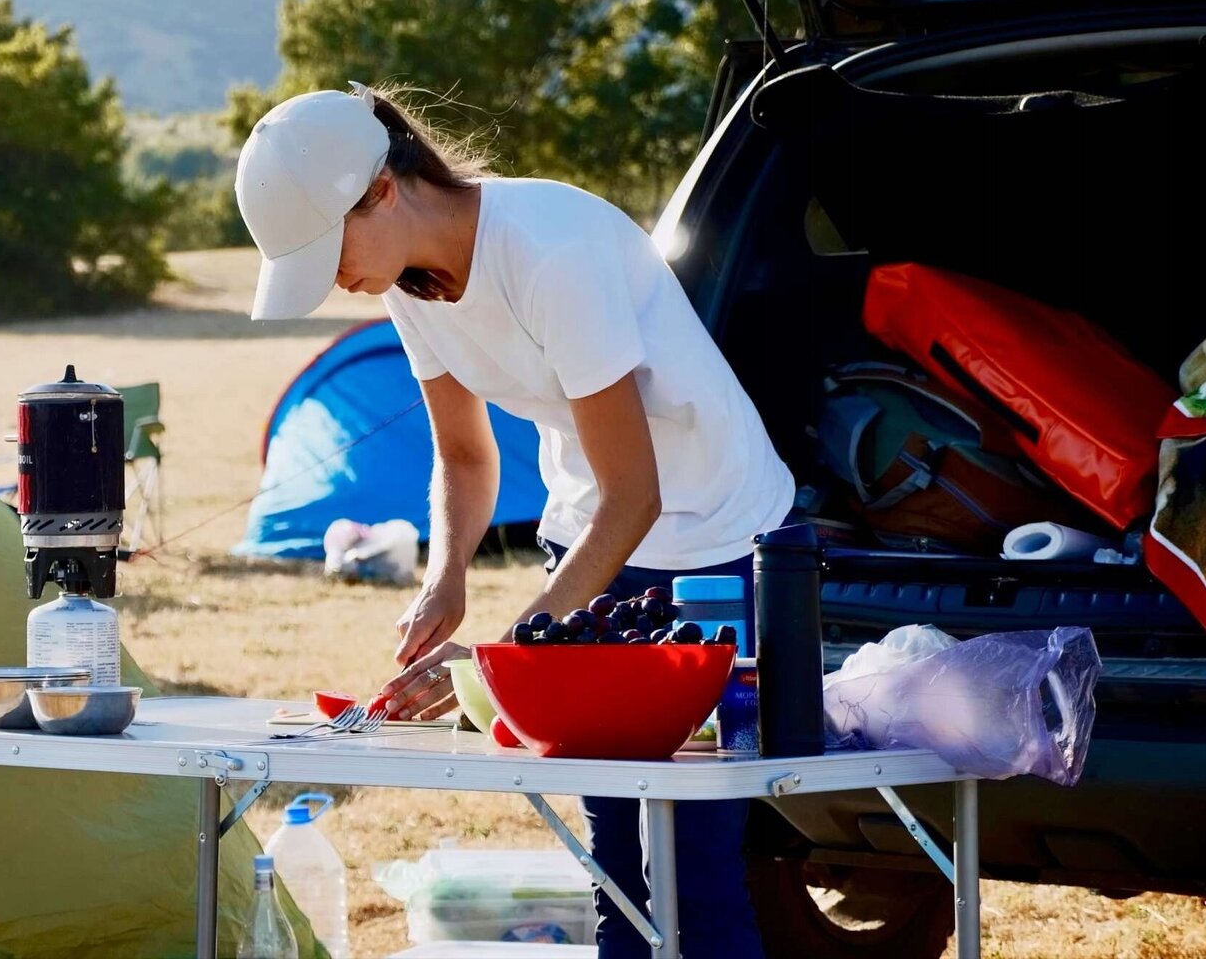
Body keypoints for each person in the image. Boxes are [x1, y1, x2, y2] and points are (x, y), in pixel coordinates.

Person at [234, 82, 794, 959]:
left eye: (327, 249)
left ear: (381, 190)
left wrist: (508, 653)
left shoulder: (548, 249)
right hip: (593, 536)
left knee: (692, 864)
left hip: (712, 537)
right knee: (618, 865)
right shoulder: (407, 286)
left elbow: (636, 492)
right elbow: (463, 456)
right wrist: (444, 577)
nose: (334, 280)